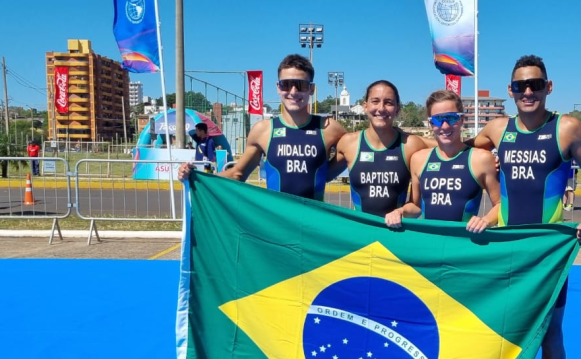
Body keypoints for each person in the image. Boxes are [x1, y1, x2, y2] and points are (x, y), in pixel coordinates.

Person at [466, 54, 581, 359]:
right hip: (509, 252)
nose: (528, 91)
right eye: (521, 85)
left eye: (536, 84)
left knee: (551, 335)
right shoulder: (496, 128)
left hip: (547, 254)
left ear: (548, 87)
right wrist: (490, 204)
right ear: (510, 90)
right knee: (512, 337)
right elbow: (471, 153)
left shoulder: (566, 128)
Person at [178, 54, 346, 199]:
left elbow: (360, 150)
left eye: (300, 85)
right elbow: (237, 174)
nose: (293, 91)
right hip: (275, 225)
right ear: (278, 87)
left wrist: (324, 173)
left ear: (311, 89)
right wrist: (195, 177)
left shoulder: (330, 129)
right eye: (286, 84)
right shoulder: (263, 130)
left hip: (315, 225)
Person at [384, 90, 500, 231]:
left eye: (451, 118)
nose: (445, 126)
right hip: (430, 245)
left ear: (462, 119)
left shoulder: (481, 158)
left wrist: (485, 220)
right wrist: (399, 212)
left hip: (464, 245)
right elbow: (416, 206)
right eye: (438, 120)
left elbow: (501, 204)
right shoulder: (419, 159)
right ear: (430, 124)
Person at [333, 80, 435, 216]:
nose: (381, 108)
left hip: (395, 233)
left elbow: (450, 147)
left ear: (397, 108)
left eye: (388, 103)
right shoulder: (349, 143)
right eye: (375, 101)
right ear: (365, 106)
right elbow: (319, 176)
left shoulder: (410, 144)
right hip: (359, 234)